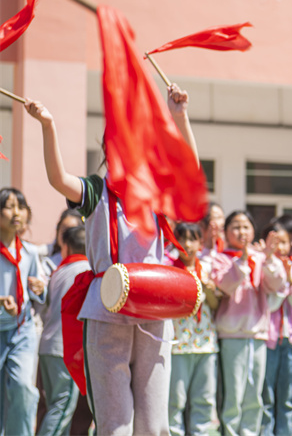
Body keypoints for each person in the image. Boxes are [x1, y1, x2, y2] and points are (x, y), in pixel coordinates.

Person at [25, 84, 197, 435]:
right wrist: (48, 125)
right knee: (115, 423)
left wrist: (180, 118)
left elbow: (189, 175)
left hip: (153, 311)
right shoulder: (96, 190)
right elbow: (58, 179)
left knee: (153, 424)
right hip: (107, 308)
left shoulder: (157, 194)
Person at [212, 210, 284, 436]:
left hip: (258, 334)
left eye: (245, 227)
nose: (241, 232)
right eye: (235, 227)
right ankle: (231, 432)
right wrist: (242, 260)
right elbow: (225, 286)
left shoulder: (261, 258)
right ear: (226, 232)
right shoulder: (221, 258)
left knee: (254, 394)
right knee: (233, 394)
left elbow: (277, 285)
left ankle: (250, 432)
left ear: (253, 231)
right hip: (232, 334)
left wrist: (269, 258)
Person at [167, 222, 220, 436]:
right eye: (182, 239)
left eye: (192, 239)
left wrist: (209, 289)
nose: (187, 245)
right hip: (178, 343)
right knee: (175, 399)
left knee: (204, 398)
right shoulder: (169, 270)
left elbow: (215, 305)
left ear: (200, 243)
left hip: (205, 343)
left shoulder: (207, 268)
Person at [0, 187, 46, 435]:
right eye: (9, 207)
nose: (16, 213)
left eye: (21, 207)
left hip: (22, 329)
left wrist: (40, 288)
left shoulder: (29, 252)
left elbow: (37, 291)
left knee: (23, 388)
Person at [37, 225, 90, 436]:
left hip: (48, 346)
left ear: (66, 247)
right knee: (63, 408)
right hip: (65, 349)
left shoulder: (59, 271)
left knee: (56, 405)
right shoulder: (87, 270)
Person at [262, 223, 292, 436]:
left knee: (287, 395)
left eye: (284, 242)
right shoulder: (264, 268)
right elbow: (270, 306)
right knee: (267, 393)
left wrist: (290, 280)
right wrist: (283, 284)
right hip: (268, 338)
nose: (280, 247)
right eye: (276, 242)